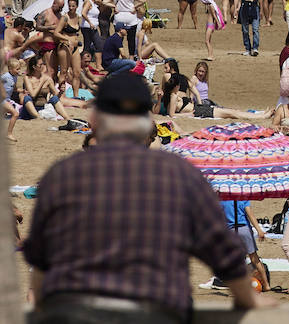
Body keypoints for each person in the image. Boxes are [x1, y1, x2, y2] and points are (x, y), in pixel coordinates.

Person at [24, 73, 273, 321]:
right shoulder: (176, 175)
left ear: (96, 119)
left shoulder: (63, 176)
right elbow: (220, 248)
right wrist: (246, 297)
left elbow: (42, 260)